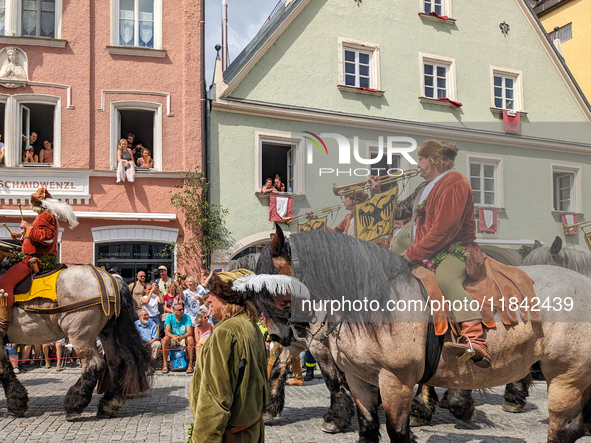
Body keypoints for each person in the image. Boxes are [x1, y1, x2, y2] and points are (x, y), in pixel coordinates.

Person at [372, 140, 490, 368]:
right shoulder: (425, 187)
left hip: (454, 250)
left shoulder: (455, 181)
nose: (418, 164)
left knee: (447, 279)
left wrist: (411, 254)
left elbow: (444, 230)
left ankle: (476, 340)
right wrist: (376, 194)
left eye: (421, 159)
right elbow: (399, 210)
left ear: (433, 160)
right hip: (427, 252)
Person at [189, 269, 269, 442]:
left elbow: (214, 400)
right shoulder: (251, 325)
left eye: (213, 294)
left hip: (232, 436)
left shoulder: (226, 332)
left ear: (228, 298)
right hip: (251, 431)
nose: (208, 299)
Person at [0, 187, 78, 337]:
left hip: (35, 260)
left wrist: (28, 228)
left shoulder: (45, 216)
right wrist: (23, 236)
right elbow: (38, 239)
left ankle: (3, 322)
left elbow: (47, 237)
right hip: (36, 256)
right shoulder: (45, 216)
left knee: (4, 283)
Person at [162, 302, 195, 374]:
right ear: (174, 311)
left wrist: (181, 337)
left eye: (182, 309)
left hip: (183, 338)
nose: (182, 311)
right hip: (173, 338)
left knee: (190, 339)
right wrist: (173, 336)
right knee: (165, 339)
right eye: (179, 310)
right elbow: (167, 332)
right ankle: (165, 364)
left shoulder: (187, 317)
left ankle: (190, 364)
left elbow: (189, 332)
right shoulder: (169, 317)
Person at [135, 308, 161, 373]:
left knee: (157, 344)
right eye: (145, 315)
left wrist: (147, 344)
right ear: (139, 317)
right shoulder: (135, 325)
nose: (147, 316)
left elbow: (155, 338)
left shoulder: (152, 324)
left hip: (150, 343)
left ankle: (151, 363)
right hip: (139, 344)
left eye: (147, 315)